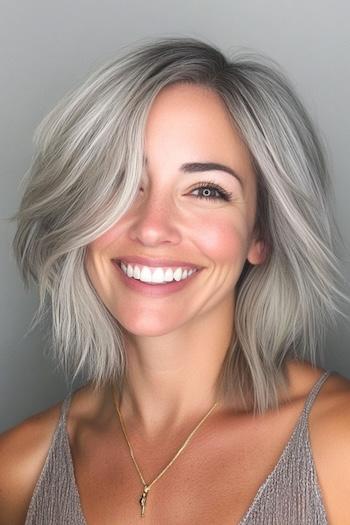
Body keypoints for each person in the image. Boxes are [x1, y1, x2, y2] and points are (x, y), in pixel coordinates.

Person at [0, 37, 349, 525]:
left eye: (206, 190)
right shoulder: (17, 472)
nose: (151, 227)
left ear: (261, 233)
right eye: (122, 181)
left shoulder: (340, 448)